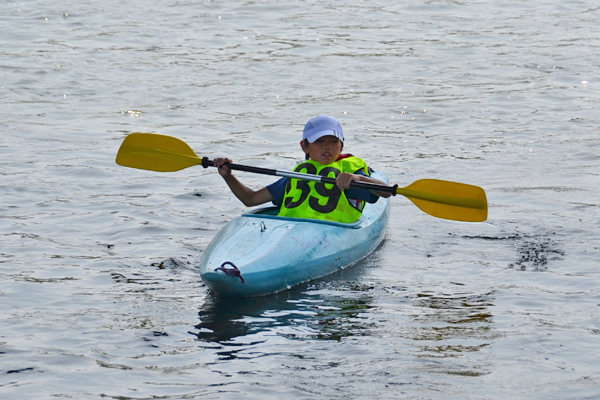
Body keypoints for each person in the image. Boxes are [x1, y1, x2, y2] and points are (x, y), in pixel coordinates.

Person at [212, 115, 391, 223]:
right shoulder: (297, 175)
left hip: (333, 231)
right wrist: (228, 176)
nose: (327, 148)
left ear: (342, 146)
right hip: (290, 230)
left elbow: (385, 192)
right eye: (319, 142)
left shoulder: (349, 171)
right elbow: (250, 199)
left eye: (333, 142)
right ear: (304, 146)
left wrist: (357, 179)